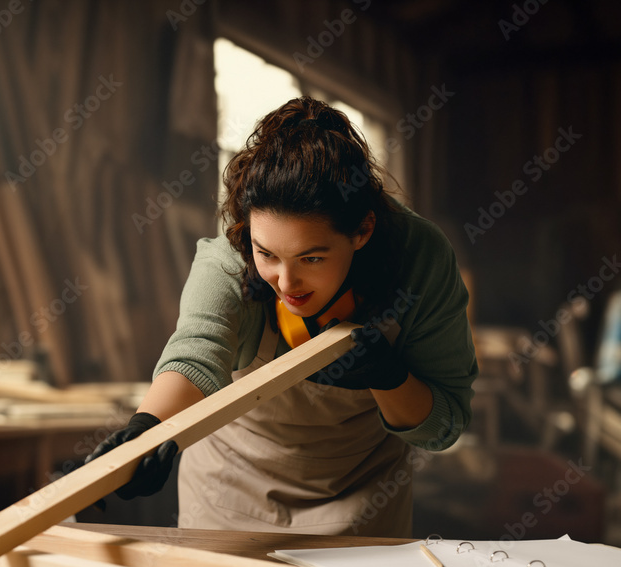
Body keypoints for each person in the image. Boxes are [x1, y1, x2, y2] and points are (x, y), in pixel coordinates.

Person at [87, 96, 478, 538]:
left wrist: (390, 379)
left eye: (311, 257)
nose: (286, 281)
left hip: (362, 503)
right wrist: (147, 432)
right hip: (227, 496)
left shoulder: (420, 260)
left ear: (362, 231)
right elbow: (197, 352)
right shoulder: (227, 261)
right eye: (267, 254)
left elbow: (444, 428)